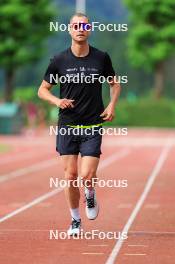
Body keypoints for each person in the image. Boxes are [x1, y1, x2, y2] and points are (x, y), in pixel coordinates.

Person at [38, 13, 121, 236]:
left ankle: (90, 193)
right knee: (70, 175)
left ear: (89, 29)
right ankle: (75, 220)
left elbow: (115, 84)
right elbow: (42, 90)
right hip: (67, 125)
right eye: (76, 26)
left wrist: (111, 106)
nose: (80, 29)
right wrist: (57, 100)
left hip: (93, 124)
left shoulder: (101, 58)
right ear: (69, 30)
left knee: (86, 175)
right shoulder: (59, 60)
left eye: (84, 26)